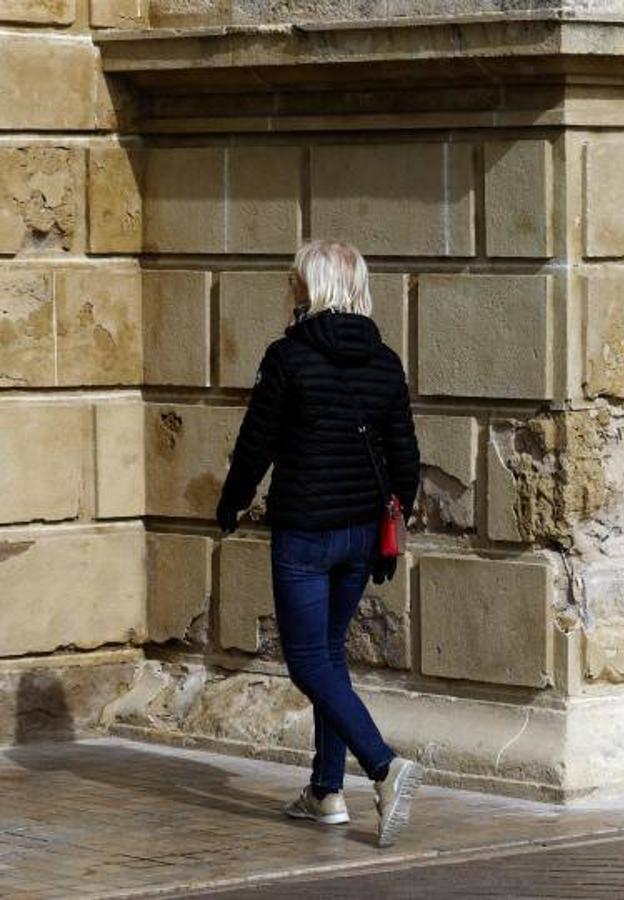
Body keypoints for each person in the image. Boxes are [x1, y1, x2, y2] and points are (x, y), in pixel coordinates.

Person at [215, 239, 423, 848]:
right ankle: (327, 792)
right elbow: (405, 457)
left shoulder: (288, 357)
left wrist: (232, 500)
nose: (291, 290)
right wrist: (397, 520)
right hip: (362, 531)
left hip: (305, 531)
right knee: (331, 656)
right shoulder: (384, 361)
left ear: (313, 289)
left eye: (296, 281)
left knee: (307, 661)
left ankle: (384, 768)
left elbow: (257, 442)